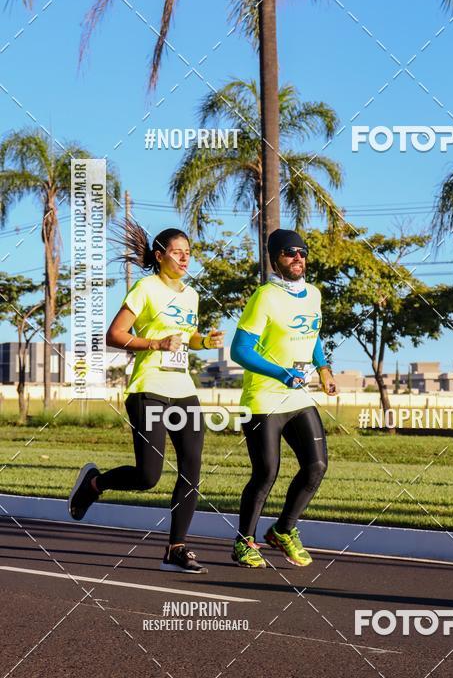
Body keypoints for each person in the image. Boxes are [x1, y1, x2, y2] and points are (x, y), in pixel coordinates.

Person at [68, 220, 224, 573]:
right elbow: (115, 334)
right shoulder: (145, 288)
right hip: (149, 389)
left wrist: (204, 341)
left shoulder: (191, 295)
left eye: (189, 253)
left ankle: (176, 548)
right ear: (159, 255)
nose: (185, 258)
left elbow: (184, 337)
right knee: (147, 476)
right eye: (178, 252)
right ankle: (95, 483)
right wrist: (154, 343)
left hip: (184, 390)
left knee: (191, 468)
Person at [230, 229, 337, 568]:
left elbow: (312, 334)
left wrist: (323, 368)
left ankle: (283, 530)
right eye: (290, 253)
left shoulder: (314, 295)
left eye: (303, 252)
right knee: (266, 473)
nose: (298, 258)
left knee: (317, 465)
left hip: (298, 398)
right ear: (275, 258)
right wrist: (279, 373)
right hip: (263, 399)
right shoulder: (264, 297)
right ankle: (243, 542)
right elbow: (239, 350)